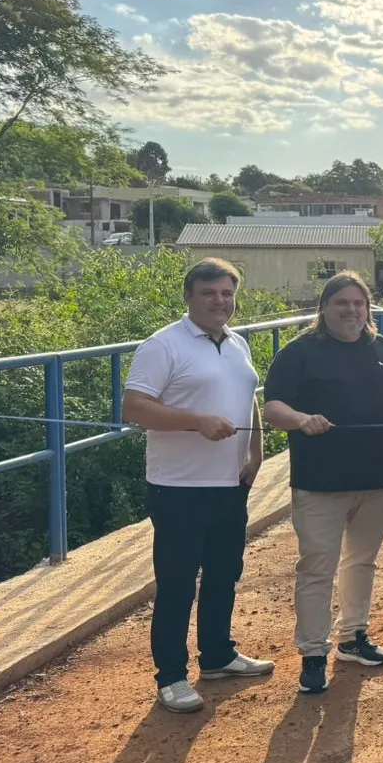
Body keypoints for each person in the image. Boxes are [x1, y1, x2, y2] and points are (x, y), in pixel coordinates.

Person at [123, 258, 273, 713]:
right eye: (209, 293)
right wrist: (195, 423)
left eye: (227, 293)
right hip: (180, 487)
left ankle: (218, 656)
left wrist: (256, 451)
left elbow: (249, 400)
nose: (220, 301)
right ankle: (171, 676)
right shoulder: (162, 346)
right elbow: (134, 408)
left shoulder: (237, 343)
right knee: (177, 584)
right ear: (189, 296)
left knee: (225, 574)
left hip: (231, 482)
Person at [264, 272, 383, 697]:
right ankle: (312, 653)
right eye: (341, 303)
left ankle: (352, 637)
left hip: (373, 479)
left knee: (362, 562)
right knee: (317, 568)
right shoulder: (299, 354)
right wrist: (299, 420)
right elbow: (273, 406)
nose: (350, 310)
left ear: (367, 309)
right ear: (324, 308)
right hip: (319, 481)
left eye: (358, 303)